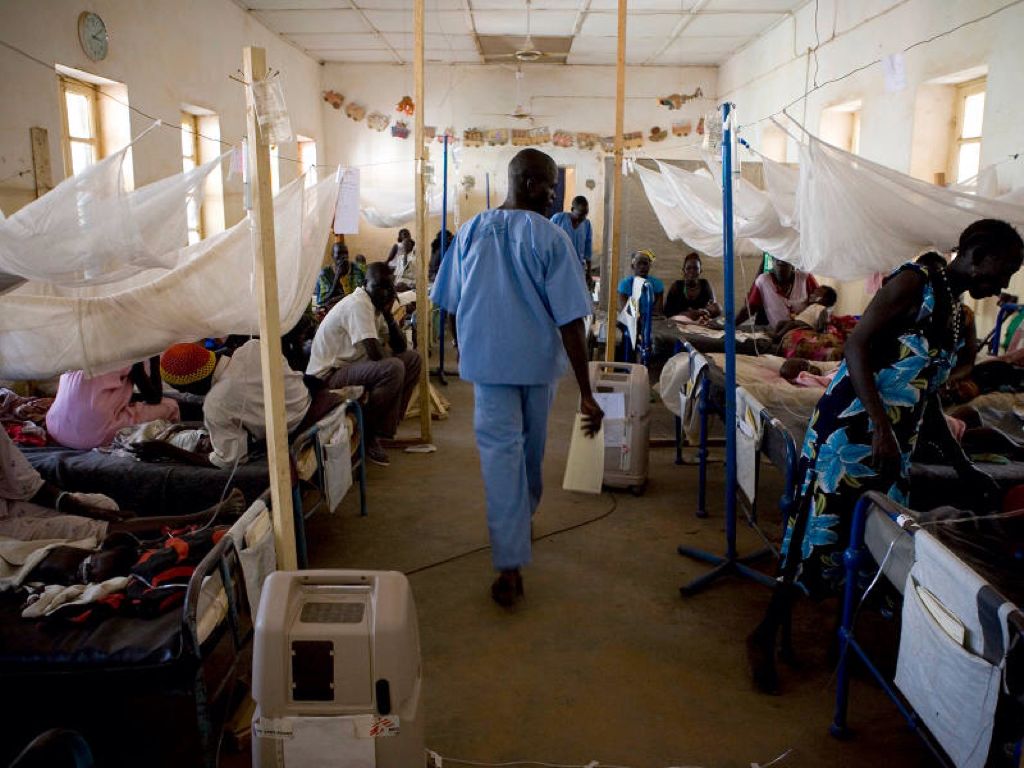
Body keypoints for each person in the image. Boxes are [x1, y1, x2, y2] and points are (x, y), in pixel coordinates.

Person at [747, 219, 1024, 695]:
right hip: (851, 430)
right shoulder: (915, 281)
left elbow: (926, 398)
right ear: (977, 253)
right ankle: (765, 635)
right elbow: (857, 346)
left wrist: (964, 467)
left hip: (893, 442)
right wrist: (879, 424)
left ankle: (841, 640)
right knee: (816, 534)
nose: (1001, 284)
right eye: (1002, 271)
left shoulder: (955, 312)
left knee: (869, 542)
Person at [431, 148, 603, 607]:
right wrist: (586, 393)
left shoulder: (470, 233)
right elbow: (571, 322)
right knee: (525, 453)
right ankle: (511, 559)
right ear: (530, 184)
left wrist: (466, 348)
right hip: (536, 368)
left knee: (505, 458)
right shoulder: (550, 238)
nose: (553, 197)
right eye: (550, 187)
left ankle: (514, 529)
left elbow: (450, 304)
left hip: (489, 368)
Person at [306, 262, 421, 466]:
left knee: (412, 360)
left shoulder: (376, 306)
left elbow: (401, 346)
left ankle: (384, 429)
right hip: (328, 376)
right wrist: (391, 361)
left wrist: (389, 316)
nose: (385, 293)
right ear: (365, 284)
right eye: (379, 286)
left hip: (350, 367)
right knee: (394, 368)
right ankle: (368, 433)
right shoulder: (359, 304)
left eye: (388, 287)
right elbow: (376, 354)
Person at [152, 339, 311, 470]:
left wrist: (169, 451)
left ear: (193, 386)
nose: (187, 394)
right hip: (306, 402)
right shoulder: (253, 347)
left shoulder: (216, 403)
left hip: (294, 426)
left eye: (183, 389)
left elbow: (227, 461)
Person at [46, 358, 180, 450]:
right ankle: (172, 442)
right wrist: (154, 358)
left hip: (56, 428)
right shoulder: (129, 355)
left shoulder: (79, 351)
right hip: (92, 434)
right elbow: (154, 399)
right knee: (170, 405)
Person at [736, 256, 818, 327]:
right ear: (772, 262)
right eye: (777, 259)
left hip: (804, 329)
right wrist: (732, 325)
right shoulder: (763, 281)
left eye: (784, 260)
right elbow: (750, 309)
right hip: (779, 333)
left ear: (792, 263)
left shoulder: (805, 278)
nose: (780, 262)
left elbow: (820, 302)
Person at [663, 252, 721, 320]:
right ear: (684, 270)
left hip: (701, 320)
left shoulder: (705, 285)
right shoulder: (676, 286)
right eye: (688, 268)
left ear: (700, 271)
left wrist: (701, 312)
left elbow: (713, 308)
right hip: (679, 320)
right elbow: (667, 311)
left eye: (695, 268)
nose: (692, 271)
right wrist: (686, 314)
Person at [550, 196, 593, 280]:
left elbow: (588, 251)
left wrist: (589, 273)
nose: (583, 218)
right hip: (559, 268)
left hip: (577, 269)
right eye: (581, 214)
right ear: (572, 209)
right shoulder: (558, 219)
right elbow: (547, 241)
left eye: (586, 214)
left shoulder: (586, 224)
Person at [617, 250, 665, 316]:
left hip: (651, 320)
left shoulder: (657, 284)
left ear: (649, 266)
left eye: (645, 264)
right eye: (639, 263)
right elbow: (626, 312)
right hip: (632, 320)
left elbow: (658, 311)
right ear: (632, 266)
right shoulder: (625, 285)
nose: (642, 267)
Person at [313, 237, 350, 318]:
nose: (343, 257)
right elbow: (322, 301)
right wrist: (337, 277)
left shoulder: (354, 271)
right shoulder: (324, 274)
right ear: (333, 256)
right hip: (327, 313)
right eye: (339, 253)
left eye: (346, 253)